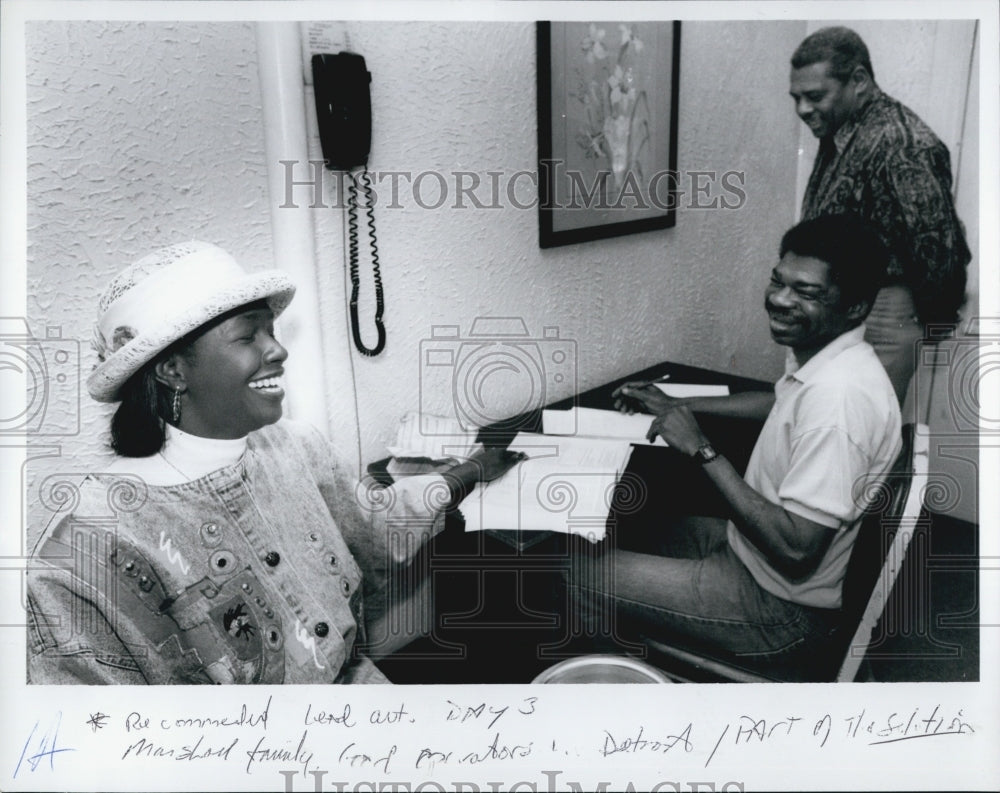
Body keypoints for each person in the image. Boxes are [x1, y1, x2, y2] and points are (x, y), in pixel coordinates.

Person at [26, 241, 521, 684]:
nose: (278, 349)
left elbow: (375, 524)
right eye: (248, 337)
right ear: (173, 370)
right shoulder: (90, 549)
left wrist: (470, 471)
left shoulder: (295, 449)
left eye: (272, 330)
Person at [583, 214, 902, 666]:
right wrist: (679, 406)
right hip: (746, 555)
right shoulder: (835, 361)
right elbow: (781, 402)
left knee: (569, 572)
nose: (779, 299)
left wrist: (699, 447)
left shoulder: (840, 402)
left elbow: (796, 551)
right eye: (778, 281)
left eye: (806, 292)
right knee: (616, 531)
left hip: (780, 613)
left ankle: (619, 698)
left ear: (856, 306)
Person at [789, 26, 971, 404]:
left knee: (858, 432)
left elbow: (939, 249)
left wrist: (932, 318)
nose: (803, 109)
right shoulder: (842, 128)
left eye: (814, 96)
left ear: (858, 80)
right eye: (797, 98)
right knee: (813, 418)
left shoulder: (902, 143)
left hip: (882, 315)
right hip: (838, 309)